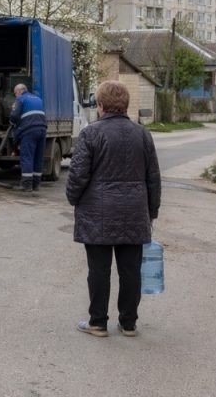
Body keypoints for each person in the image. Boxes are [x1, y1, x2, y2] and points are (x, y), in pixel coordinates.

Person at [65, 80, 160, 338]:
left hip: (97, 213)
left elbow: (78, 175)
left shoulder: (90, 133)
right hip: (134, 212)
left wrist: (73, 198)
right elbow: (153, 177)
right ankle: (128, 323)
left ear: (101, 105)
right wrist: (152, 211)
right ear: (125, 105)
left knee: (99, 269)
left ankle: (97, 322)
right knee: (130, 270)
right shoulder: (142, 134)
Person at [9, 83, 47, 192]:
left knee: (27, 157)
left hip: (29, 131)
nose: (15, 95)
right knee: (38, 157)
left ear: (20, 91)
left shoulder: (21, 99)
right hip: (42, 129)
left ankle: (26, 185)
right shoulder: (38, 99)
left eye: (15, 93)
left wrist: (11, 122)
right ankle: (36, 184)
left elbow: (14, 116)